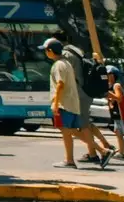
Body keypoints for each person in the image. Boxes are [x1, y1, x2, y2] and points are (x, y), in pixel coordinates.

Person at [45, 37, 111, 169]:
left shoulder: (58, 65)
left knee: (66, 130)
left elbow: (60, 84)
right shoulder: (67, 63)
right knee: (72, 130)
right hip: (73, 102)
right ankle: (101, 151)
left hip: (65, 103)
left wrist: (56, 103)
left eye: (46, 50)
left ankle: (71, 160)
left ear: (51, 51)